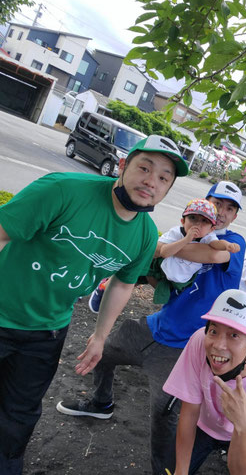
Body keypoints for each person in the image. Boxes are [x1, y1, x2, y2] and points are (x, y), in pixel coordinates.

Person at [0, 134, 189, 474]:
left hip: (47, 331)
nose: (151, 181)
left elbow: (122, 283)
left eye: (163, 177)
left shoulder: (145, 234)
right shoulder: (63, 189)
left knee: (20, 413)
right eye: (144, 168)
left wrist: (100, 336)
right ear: (122, 165)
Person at [56, 181, 246, 475]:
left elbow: (210, 256)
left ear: (235, 216)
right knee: (104, 353)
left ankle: (163, 470)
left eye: (230, 208)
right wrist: (160, 251)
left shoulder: (232, 241)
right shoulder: (189, 228)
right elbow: (163, 280)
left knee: (163, 413)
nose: (222, 212)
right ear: (204, 202)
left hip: (184, 347)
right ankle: (101, 402)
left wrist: (164, 248)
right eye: (217, 203)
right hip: (154, 326)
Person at [163, 289, 246, 475]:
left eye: (234, 335)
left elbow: (241, 472)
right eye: (213, 331)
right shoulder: (199, 342)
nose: (218, 345)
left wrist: (242, 424)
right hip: (202, 424)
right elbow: (189, 412)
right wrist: (181, 470)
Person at [148, 198, 240, 304]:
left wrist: (227, 245)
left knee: (174, 294)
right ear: (183, 221)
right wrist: (186, 239)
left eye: (204, 221)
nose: (197, 224)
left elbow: (216, 244)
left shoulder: (208, 236)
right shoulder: (176, 233)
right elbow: (164, 252)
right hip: (163, 269)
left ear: (211, 229)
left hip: (184, 279)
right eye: (192, 218)